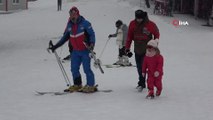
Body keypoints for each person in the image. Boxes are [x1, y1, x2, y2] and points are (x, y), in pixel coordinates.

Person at [48, 6, 97, 93]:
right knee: (74, 68)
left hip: (85, 50)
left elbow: (92, 35)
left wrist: (92, 44)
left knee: (86, 69)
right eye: (70, 14)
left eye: (74, 14)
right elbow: (65, 38)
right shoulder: (69, 25)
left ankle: (91, 85)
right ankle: (77, 84)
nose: (72, 16)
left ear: (78, 14)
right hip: (75, 51)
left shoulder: (85, 23)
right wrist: (55, 46)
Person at [125, 9, 160, 92]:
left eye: (140, 18)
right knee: (139, 67)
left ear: (144, 17)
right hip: (137, 49)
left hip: (148, 51)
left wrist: (155, 44)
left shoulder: (151, 24)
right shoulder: (132, 24)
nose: (139, 20)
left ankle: (148, 83)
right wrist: (127, 48)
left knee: (147, 68)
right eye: (137, 18)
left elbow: (157, 34)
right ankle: (141, 82)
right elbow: (129, 37)